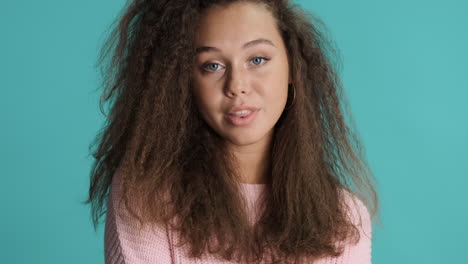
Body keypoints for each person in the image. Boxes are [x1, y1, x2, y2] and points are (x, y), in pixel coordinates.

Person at [84, 0, 379, 263]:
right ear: (183, 82)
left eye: (257, 60)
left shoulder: (345, 216)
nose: (237, 85)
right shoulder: (145, 199)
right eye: (212, 65)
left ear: (293, 68)